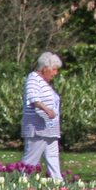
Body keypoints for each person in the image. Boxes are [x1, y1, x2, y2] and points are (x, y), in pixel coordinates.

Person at [22, 52, 65, 182]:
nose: (56, 73)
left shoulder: (44, 82)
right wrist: (47, 110)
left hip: (50, 130)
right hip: (38, 128)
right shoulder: (33, 79)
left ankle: (59, 185)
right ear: (45, 68)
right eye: (54, 69)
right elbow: (33, 98)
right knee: (31, 160)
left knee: (53, 158)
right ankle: (19, 182)